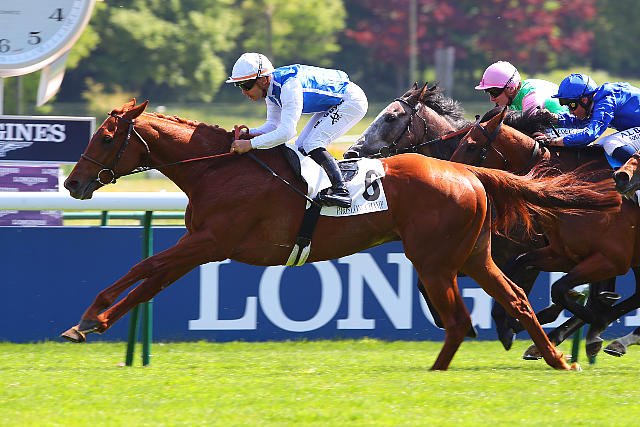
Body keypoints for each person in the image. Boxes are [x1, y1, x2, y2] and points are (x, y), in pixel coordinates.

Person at [226, 52, 368, 208]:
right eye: (239, 86)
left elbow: (287, 132)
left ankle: (341, 191)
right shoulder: (270, 90)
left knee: (312, 143)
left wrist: (250, 144)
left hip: (351, 101)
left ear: (263, 80)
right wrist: (249, 133)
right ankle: (321, 186)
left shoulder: (288, 87)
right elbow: (273, 126)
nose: (244, 92)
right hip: (335, 103)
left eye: (246, 85)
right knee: (301, 147)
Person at [540, 73, 640, 168]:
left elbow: (589, 135)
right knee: (600, 144)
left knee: (612, 143)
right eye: (567, 106)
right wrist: (555, 118)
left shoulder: (606, 103)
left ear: (584, 100)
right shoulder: (597, 101)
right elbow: (584, 121)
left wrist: (553, 141)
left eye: (572, 105)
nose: (571, 111)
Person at [475, 61, 566, 114]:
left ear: (511, 89)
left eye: (494, 92)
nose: (491, 99)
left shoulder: (531, 96)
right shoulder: (514, 97)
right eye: (488, 92)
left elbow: (530, 127)